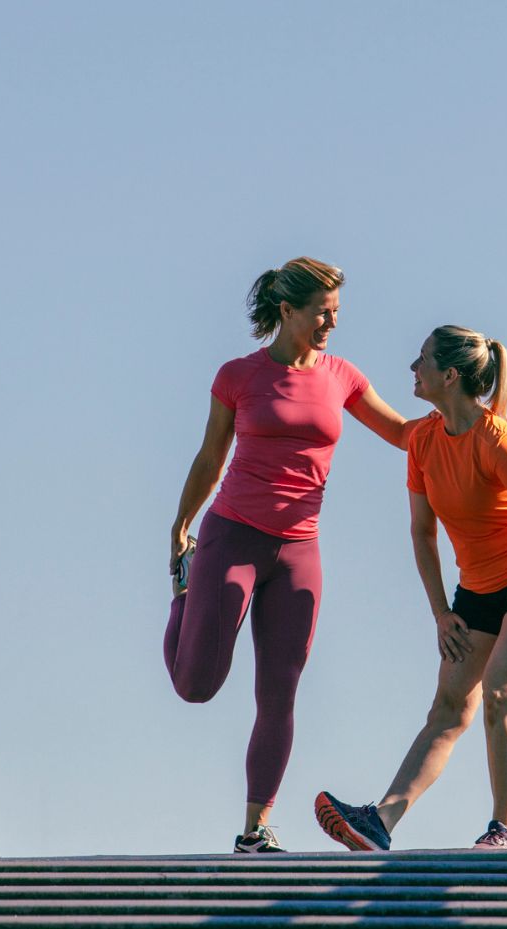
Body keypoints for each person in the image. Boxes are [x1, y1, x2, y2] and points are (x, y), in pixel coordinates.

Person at [164, 256, 417, 854]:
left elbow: (404, 435)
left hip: (300, 548)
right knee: (197, 685)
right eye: (322, 313)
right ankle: (184, 592)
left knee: (280, 689)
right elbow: (210, 457)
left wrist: (466, 422)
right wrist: (181, 524)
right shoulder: (238, 376)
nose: (331, 323)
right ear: (288, 310)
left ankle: (255, 829)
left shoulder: (342, 376)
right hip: (232, 536)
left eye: (336, 313)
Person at [315, 325, 507, 851]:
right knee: (447, 711)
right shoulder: (422, 439)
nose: (411, 370)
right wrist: (442, 612)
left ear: (449, 375)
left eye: (420, 361)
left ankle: (502, 830)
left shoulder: (495, 438)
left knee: (500, 693)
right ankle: (380, 824)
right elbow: (422, 533)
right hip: (477, 587)